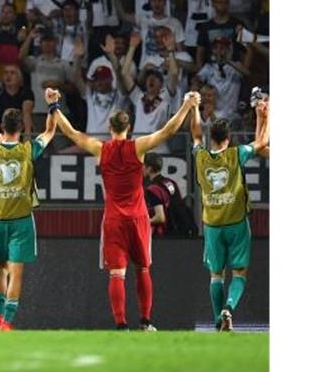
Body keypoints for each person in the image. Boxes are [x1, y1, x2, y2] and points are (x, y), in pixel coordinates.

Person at [47, 87, 201, 329]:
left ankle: (121, 324)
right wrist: (187, 106)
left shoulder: (101, 149)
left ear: (110, 128)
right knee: (142, 269)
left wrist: (53, 106)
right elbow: (169, 130)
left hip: (114, 219)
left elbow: (72, 133)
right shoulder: (137, 148)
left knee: (117, 273)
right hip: (139, 218)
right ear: (128, 128)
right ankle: (146, 322)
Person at [190, 94, 269, 331]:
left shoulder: (200, 156)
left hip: (212, 225)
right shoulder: (236, 154)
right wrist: (265, 114)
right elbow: (263, 140)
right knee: (240, 273)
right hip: (236, 223)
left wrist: (194, 108)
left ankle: (217, 320)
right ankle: (229, 307)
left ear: (210, 138)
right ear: (229, 138)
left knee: (216, 275)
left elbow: (194, 134)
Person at [0, 107, 57, 330]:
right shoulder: (28, 149)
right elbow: (50, 131)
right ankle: (7, 321)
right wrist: (53, 106)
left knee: (1, 268)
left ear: (1, 128)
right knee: (16, 272)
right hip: (21, 219)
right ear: (22, 129)